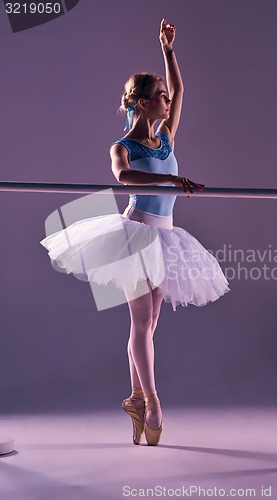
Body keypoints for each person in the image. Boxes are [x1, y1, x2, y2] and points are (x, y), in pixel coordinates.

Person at [40, 18, 230, 447]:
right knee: (142, 322)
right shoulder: (122, 146)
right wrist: (171, 183)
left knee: (148, 323)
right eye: (159, 96)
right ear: (142, 103)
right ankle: (154, 402)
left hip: (166, 237)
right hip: (136, 234)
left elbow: (181, 91)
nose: (166, 100)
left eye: (164, 95)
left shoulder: (166, 140)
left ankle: (135, 400)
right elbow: (124, 177)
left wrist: (167, 50)